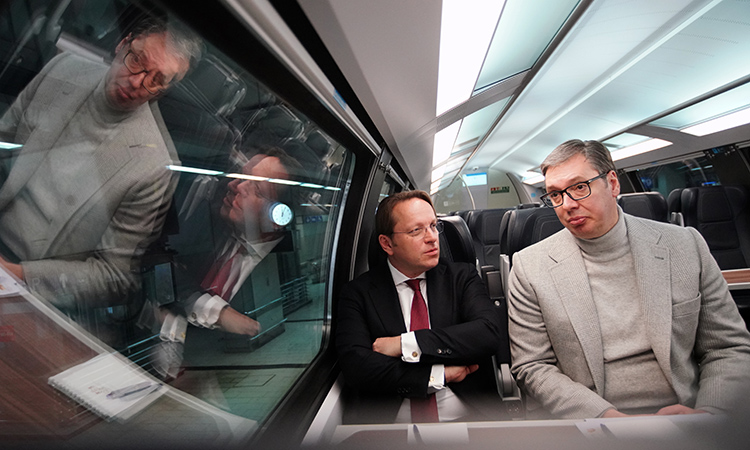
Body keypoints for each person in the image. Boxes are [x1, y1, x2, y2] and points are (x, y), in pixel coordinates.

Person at [507, 139, 750, 419]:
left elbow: (727, 346)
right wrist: (604, 417)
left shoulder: (684, 246)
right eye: (555, 195)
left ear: (612, 184)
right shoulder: (530, 267)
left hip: (689, 415)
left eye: (578, 187)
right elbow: (533, 366)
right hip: (592, 423)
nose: (567, 205)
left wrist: (709, 412)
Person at [0, 15, 202, 313]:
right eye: (137, 60)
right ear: (123, 44)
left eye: (156, 79)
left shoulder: (154, 166)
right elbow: (3, 142)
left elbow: (115, 278)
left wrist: (16, 275)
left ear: (165, 89)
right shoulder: (63, 69)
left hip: (31, 290)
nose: (137, 82)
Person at [336, 190, 503, 423]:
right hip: (391, 427)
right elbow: (358, 366)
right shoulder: (358, 293)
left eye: (434, 226)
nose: (432, 237)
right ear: (387, 244)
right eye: (416, 230)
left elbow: (487, 334)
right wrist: (438, 375)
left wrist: (404, 344)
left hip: (470, 417)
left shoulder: (461, 277)